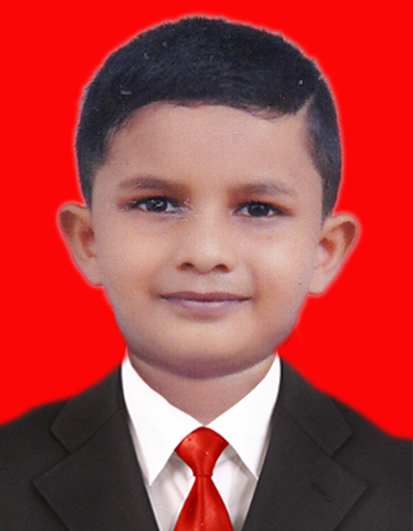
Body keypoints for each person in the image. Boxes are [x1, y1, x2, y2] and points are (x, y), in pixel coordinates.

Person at [0, 17, 411, 531]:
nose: (205, 253)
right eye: (156, 203)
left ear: (324, 251)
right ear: (88, 240)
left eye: (258, 209)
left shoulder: (402, 489)